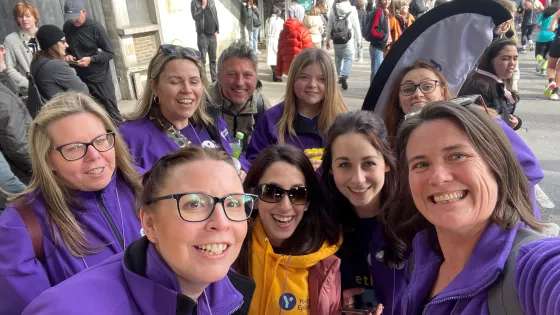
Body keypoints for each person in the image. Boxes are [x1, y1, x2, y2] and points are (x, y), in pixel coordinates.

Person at [22, 147, 257, 314]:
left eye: (233, 203)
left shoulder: (230, 293)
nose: (221, 222)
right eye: (194, 204)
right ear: (150, 224)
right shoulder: (66, 309)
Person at [384, 102, 560, 314]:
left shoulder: (534, 269)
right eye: (421, 164)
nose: (438, 177)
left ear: (497, 165)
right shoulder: (420, 260)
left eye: (457, 156)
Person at [0, 92, 143, 314]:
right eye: (74, 147)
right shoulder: (21, 226)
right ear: (48, 159)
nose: (94, 155)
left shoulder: (149, 187)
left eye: (100, 140)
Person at [385, 60, 544, 218]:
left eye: (427, 86)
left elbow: (529, 171)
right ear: (398, 99)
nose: (417, 94)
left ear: (442, 91)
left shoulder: (479, 122)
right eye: (408, 89)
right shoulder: (392, 143)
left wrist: (492, 219)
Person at [234, 145, 347, 315]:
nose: (286, 207)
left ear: (308, 202)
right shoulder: (230, 249)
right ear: (254, 198)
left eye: (298, 194)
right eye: (272, 192)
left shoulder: (325, 264)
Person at [119, 45, 251, 176]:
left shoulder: (213, 122)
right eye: (175, 82)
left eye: (194, 82)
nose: (187, 89)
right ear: (154, 87)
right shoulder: (131, 136)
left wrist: (243, 170)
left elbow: (236, 153)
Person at [321, 111, 398, 315]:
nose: (358, 179)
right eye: (345, 165)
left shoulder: (414, 222)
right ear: (330, 169)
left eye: (369, 163)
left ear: (387, 163)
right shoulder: (321, 223)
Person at [246, 48, 348, 168]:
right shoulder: (271, 120)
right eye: (304, 77)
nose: (312, 85)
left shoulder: (344, 123)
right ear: (293, 79)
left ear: (330, 83)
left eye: (322, 79)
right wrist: (292, 169)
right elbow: (254, 164)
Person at [63, 0, 123, 125]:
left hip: (100, 78)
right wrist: (67, 55)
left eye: (75, 17)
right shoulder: (67, 27)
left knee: (112, 113)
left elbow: (110, 53)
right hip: (81, 79)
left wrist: (91, 59)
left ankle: (123, 141)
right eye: (70, 18)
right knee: (92, 114)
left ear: (84, 12)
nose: (73, 21)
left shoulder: (96, 28)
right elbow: (66, 48)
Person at [205, 41, 272, 151]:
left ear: (255, 79)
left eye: (247, 75)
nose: (240, 82)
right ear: (219, 77)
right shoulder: (203, 104)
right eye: (232, 74)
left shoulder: (262, 107)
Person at [459, 38, 522, 130]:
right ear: (490, 60)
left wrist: (516, 122)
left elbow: (502, 113)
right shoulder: (479, 86)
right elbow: (471, 122)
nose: (512, 63)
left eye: (515, 58)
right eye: (505, 58)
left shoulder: (498, 82)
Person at [29, 24, 89, 113]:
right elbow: (83, 91)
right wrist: (69, 69)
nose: (67, 45)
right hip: (66, 113)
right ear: (53, 44)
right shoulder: (56, 66)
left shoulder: (36, 60)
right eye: (63, 41)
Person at [0, 41, 32, 185]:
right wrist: (43, 167)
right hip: (24, 174)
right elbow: (17, 143)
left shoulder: (3, 85)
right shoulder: (3, 98)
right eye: (0, 49)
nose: (4, 52)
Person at [3, 2, 40, 96]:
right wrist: (28, 84)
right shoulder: (11, 40)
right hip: (31, 92)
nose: (24, 19)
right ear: (17, 20)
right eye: (20, 16)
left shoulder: (46, 34)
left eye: (27, 16)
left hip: (51, 87)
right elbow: (9, 68)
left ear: (35, 17)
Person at [325, 0, 362, 90]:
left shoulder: (333, 9)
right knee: (349, 57)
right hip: (348, 38)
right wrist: (358, 39)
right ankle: (344, 75)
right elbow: (356, 25)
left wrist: (327, 39)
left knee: (338, 57)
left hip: (336, 38)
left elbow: (329, 25)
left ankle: (339, 75)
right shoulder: (352, 9)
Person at [275, 3, 315, 78]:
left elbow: (279, 54)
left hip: (288, 69)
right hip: (301, 68)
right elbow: (311, 53)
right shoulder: (303, 31)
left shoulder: (283, 32)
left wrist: (279, 71)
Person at [191, 0, 220, 82]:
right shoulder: (194, 2)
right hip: (202, 36)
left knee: (213, 60)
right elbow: (195, 17)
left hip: (212, 35)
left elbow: (215, 15)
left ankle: (214, 80)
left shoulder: (211, 1)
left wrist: (217, 30)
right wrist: (203, 7)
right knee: (203, 60)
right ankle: (205, 82)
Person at [368, 0, 392, 83]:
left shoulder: (384, 11)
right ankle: (373, 93)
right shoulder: (379, 11)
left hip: (380, 46)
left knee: (377, 71)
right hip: (377, 46)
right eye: (384, 0)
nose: (387, 1)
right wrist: (384, 36)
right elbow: (374, 29)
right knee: (376, 72)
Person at [534, 0, 557, 75]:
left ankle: (540, 60)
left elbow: (538, 24)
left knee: (538, 53)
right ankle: (543, 70)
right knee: (548, 53)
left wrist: (540, 26)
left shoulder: (543, 14)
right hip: (552, 36)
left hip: (542, 36)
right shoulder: (556, 15)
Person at [265, 6, 284, 82]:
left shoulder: (268, 20)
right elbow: (282, 30)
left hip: (269, 40)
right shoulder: (279, 20)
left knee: (271, 58)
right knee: (278, 57)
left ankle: (274, 74)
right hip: (277, 39)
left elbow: (266, 31)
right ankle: (277, 75)